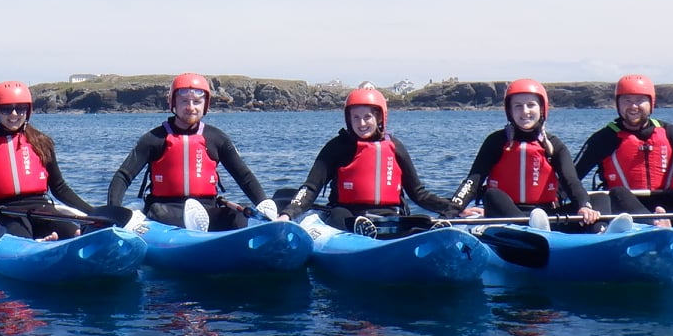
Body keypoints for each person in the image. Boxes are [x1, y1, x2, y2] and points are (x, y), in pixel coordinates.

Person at [106, 72, 281, 231]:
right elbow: (123, 176)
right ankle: (193, 226)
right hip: (164, 209)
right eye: (184, 101)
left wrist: (262, 203)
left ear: (205, 105)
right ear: (173, 103)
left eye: (197, 102)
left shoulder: (217, 138)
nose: (191, 107)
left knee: (240, 218)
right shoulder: (154, 138)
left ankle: (259, 225)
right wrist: (113, 211)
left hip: (206, 209)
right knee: (159, 211)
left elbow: (244, 176)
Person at [281, 86, 453, 233]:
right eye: (356, 117)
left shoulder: (395, 147)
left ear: (379, 118)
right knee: (339, 214)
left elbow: (419, 194)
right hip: (346, 215)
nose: (361, 123)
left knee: (414, 220)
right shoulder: (336, 147)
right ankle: (358, 232)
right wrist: (288, 213)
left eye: (367, 117)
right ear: (349, 119)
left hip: (386, 216)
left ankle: (429, 232)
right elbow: (311, 188)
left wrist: (453, 209)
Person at [447, 79, 602, 228]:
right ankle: (530, 229)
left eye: (531, 105)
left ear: (542, 109)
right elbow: (472, 182)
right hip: (507, 215)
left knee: (600, 199)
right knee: (491, 195)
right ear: (509, 111)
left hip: (546, 216)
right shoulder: (495, 142)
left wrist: (584, 206)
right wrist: (452, 212)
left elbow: (572, 182)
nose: (525, 111)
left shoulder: (554, 145)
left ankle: (600, 233)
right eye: (518, 106)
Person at [0, 80, 99, 239]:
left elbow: (59, 188)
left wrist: (93, 213)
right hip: (0, 212)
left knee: (73, 232)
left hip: (41, 208)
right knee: (20, 233)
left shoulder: (41, 142)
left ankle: (51, 241)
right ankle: (42, 243)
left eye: (20, 108)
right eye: (6, 109)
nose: (14, 114)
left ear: (28, 111)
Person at [574, 74, 673, 224]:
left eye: (640, 100)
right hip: (626, 208)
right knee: (617, 193)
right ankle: (655, 224)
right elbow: (573, 176)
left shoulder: (669, 132)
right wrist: (578, 203)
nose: (633, 106)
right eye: (627, 100)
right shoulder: (605, 137)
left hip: (666, 202)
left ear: (651, 103)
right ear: (618, 104)